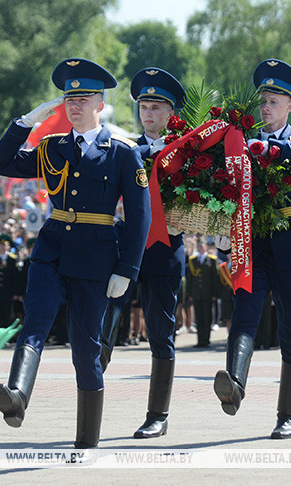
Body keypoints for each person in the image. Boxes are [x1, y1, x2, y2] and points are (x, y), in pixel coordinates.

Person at [0, 58, 150, 449]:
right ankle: (17, 396)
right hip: (52, 250)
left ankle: (87, 437)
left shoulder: (123, 152)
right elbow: (1, 163)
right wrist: (27, 121)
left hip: (96, 258)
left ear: (100, 102)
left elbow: (140, 215)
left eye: (82, 98)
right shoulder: (51, 148)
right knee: (36, 321)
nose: (73, 105)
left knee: (85, 345)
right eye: (68, 98)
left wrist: (127, 270)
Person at [213, 59, 291, 439]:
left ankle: (287, 415)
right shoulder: (240, 140)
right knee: (244, 312)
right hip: (255, 244)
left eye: (274, 100)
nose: (266, 106)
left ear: (290, 106)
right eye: (263, 99)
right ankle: (234, 385)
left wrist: (271, 149)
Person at [98, 67, 187, 439]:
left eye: (155, 107)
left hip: (165, 249)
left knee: (160, 333)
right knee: (104, 323)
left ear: (171, 113)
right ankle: (90, 398)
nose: (147, 114)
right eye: (143, 107)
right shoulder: (126, 150)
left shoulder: (188, 153)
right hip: (126, 250)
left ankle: (158, 414)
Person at [186, 237, 220, 348]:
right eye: (199, 246)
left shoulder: (212, 259)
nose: (200, 248)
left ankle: (206, 339)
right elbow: (190, 279)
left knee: (207, 317)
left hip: (208, 293)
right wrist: (189, 293)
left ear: (206, 247)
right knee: (199, 317)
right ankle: (200, 340)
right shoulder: (193, 260)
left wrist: (215, 293)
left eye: (202, 246)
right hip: (197, 293)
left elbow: (215, 278)